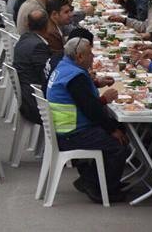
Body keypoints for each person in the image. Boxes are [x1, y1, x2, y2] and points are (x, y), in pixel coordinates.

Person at [46, 37, 129, 203]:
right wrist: (106, 104)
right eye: (90, 53)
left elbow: (81, 96)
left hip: (65, 129)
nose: (93, 56)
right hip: (72, 133)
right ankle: (97, 185)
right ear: (79, 56)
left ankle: (93, 178)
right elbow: (92, 110)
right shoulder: (75, 76)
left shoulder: (64, 66)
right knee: (118, 145)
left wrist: (95, 83)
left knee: (119, 128)